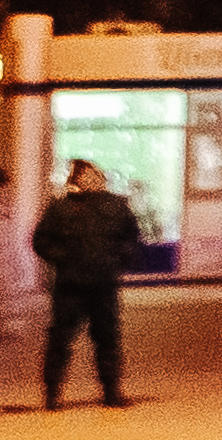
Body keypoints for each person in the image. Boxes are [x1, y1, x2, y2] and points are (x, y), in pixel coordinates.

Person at [31, 158, 143, 407]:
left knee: (108, 338)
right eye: (83, 175)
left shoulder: (116, 205)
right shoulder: (60, 208)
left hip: (104, 285)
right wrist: (64, 259)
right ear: (74, 180)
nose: (90, 178)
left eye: (93, 174)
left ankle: (111, 392)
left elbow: (133, 237)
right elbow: (41, 241)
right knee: (60, 338)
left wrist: (118, 259)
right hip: (70, 286)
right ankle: (52, 394)